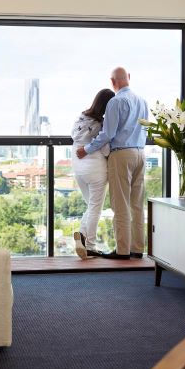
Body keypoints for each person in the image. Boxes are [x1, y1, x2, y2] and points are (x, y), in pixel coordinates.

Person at [76, 67, 148, 260]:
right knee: (137, 204)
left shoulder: (116, 102)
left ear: (112, 81)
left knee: (120, 204)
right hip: (141, 153)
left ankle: (122, 250)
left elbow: (108, 134)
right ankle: (138, 248)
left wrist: (87, 149)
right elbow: (145, 130)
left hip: (122, 155)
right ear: (129, 78)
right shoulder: (143, 101)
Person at [71, 89, 115, 259]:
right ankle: (90, 245)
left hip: (79, 169)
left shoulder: (81, 118)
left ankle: (82, 234)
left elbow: (76, 140)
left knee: (91, 205)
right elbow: (105, 149)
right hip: (95, 169)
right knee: (95, 208)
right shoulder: (101, 124)